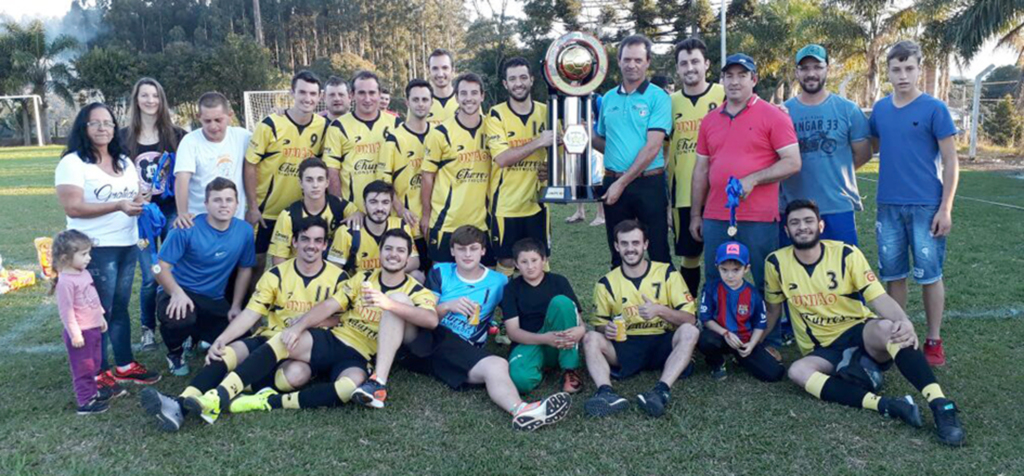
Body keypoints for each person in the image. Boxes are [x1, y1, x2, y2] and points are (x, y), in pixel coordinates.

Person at [765, 199, 965, 446]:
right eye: (794, 223)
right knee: (798, 371)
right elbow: (773, 310)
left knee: (889, 329)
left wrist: (903, 321)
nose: (802, 227)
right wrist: (755, 340)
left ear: (820, 225)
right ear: (786, 230)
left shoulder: (845, 254)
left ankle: (941, 405)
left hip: (859, 331)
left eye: (808, 221)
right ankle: (888, 405)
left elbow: (878, 297)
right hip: (823, 349)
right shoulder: (775, 263)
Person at [355, 226, 571, 431]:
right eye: (461, 249)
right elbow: (427, 315)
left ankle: (522, 411)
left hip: (458, 350)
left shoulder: (499, 282)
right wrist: (448, 306)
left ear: (483, 251)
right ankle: (378, 383)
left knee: (497, 365)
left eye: (473, 249)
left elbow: (519, 312)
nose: (467, 254)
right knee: (398, 300)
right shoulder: (440, 271)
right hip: (425, 337)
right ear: (452, 251)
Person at [139, 217, 346, 431]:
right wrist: (221, 339)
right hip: (270, 338)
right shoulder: (276, 274)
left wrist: (307, 322)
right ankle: (180, 403)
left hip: (304, 348)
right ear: (294, 242)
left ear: (324, 245)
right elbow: (250, 313)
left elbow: (343, 319)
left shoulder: (339, 278)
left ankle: (225, 391)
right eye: (305, 239)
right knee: (227, 352)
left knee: (297, 375)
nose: (311, 246)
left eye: (317, 240)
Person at [226, 230, 437, 415]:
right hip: (336, 338)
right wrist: (299, 326)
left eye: (400, 251)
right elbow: (330, 305)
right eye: (388, 248)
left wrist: (387, 303)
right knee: (285, 340)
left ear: (408, 257)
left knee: (348, 387)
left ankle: (271, 402)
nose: (393, 254)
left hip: (363, 353)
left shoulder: (418, 290)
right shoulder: (363, 279)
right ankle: (224, 392)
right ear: (380, 251)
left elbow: (431, 320)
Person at [691, 53, 800, 348]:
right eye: (729, 75)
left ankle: (769, 342)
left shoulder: (773, 115)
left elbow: (792, 162)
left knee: (765, 281)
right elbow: (701, 169)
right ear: (722, 80)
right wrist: (695, 215)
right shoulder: (710, 120)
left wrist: (753, 179)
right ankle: (717, 342)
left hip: (759, 217)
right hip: (716, 215)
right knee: (716, 276)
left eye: (742, 75)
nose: (735, 81)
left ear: (754, 79)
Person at [55, 102, 161, 387]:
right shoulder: (73, 163)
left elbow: (136, 194)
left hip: (126, 244)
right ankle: (98, 371)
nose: (103, 128)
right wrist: (118, 205)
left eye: (108, 123)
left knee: (119, 306)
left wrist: (143, 202)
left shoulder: (123, 161)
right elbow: (73, 207)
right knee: (97, 310)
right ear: (83, 127)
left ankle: (124, 364)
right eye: (96, 123)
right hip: (94, 249)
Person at [869, 40, 960, 367]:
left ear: (919, 69)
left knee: (929, 275)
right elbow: (873, 146)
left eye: (909, 68)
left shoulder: (934, 109)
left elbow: (951, 160)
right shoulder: (880, 109)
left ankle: (933, 340)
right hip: (888, 206)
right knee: (894, 275)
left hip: (925, 207)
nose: (903, 75)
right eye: (896, 69)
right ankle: (900, 335)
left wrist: (945, 207)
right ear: (888, 73)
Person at [582, 220, 699, 418]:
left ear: (645, 244)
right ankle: (606, 393)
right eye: (625, 244)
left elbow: (690, 318)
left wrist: (661, 311)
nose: (630, 249)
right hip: (627, 344)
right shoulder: (605, 283)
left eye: (635, 243)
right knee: (590, 338)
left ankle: (661, 391)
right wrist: (606, 329)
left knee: (691, 331)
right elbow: (599, 324)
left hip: (663, 340)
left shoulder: (667, 273)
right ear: (617, 246)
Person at [153, 178, 256, 376]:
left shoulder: (244, 231)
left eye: (229, 200)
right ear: (206, 204)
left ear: (237, 204)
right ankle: (175, 352)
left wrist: (235, 305)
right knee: (180, 317)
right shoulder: (187, 227)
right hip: (181, 291)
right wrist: (176, 292)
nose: (224, 205)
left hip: (213, 299)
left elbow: (245, 269)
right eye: (217, 200)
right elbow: (160, 267)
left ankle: (197, 335)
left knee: (244, 339)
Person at [592, 35, 673, 268]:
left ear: (647, 62)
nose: (632, 64)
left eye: (638, 60)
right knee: (619, 252)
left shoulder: (658, 97)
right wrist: (583, 137)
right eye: (627, 59)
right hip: (613, 181)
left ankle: (663, 304)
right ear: (618, 61)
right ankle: (621, 304)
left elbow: (653, 146)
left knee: (658, 252)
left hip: (648, 184)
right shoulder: (607, 99)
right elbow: (606, 143)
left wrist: (622, 183)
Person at [781, 45, 872, 247]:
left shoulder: (848, 110)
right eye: (804, 68)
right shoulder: (783, 112)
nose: (811, 73)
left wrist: (834, 171)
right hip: (794, 210)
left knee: (842, 269)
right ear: (796, 72)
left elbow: (863, 154)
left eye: (817, 67)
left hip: (837, 207)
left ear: (827, 69)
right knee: (794, 274)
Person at [121, 77, 187, 351]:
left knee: (174, 269)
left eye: (155, 96)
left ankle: (180, 325)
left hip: (171, 211)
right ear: (136, 100)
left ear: (162, 100)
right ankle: (148, 327)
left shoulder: (177, 135)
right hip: (141, 217)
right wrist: (134, 196)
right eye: (144, 95)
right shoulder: (122, 137)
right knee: (150, 274)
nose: (150, 100)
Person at [244, 70, 330, 275]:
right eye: (302, 92)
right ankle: (253, 304)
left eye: (312, 94)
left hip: (300, 210)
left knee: (294, 263)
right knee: (256, 261)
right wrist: (253, 206)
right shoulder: (271, 124)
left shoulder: (323, 126)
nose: (307, 98)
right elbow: (250, 164)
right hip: (267, 210)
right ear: (292, 93)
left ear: (320, 97)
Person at [667, 38, 725, 295]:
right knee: (690, 257)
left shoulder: (723, 94)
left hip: (721, 192)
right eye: (684, 63)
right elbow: (663, 149)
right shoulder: (669, 102)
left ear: (707, 64)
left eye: (695, 62)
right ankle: (689, 314)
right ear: (677, 69)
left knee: (725, 255)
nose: (690, 68)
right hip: (684, 194)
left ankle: (722, 312)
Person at [486, 57, 552, 277]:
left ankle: (540, 305)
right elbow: (503, 158)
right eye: (512, 79)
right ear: (505, 84)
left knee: (539, 258)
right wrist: (538, 142)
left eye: (523, 77)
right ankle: (506, 306)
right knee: (506, 259)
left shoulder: (547, 112)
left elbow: (562, 149)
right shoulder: (496, 114)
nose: (518, 83)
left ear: (532, 80)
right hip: (506, 204)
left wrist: (553, 169)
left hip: (537, 203)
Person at [421, 73, 494, 265]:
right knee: (442, 278)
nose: (468, 98)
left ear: (482, 96)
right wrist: (426, 215)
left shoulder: (493, 127)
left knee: (484, 278)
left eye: (474, 93)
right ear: (456, 97)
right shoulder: (440, 133)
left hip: (482, 222)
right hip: (446, 222)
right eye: (463, 93)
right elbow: (427, 177)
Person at [502, 238, 585, 394]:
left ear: (544, 260)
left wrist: (581, 330)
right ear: (516, 264)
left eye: (534, 260)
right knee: (520, 381)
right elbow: (513, 332)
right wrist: (545, 338)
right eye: (524, 262)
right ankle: (537, 366)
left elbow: (577, 319)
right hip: (529, 342)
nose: (530, 266)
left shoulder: (559, 282)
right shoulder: (511, 289)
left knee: (561, 302)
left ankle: (569, 369)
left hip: (560, 341)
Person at [696, 241, 785, 382]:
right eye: (724, 270)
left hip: (743, 341)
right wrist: (725, 333)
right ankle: (717, 362)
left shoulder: (753, 294)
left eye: (736, 270)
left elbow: (759, 324)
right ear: (717, 267)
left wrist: (752, 344)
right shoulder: (711, 288)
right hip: (721, 337)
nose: (730, 275)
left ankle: (739, 357)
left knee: (775, 374)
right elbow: (706, 318)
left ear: (746, 268)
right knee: (705, 339)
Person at [51, 230, 115, 415]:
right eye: (83, 254)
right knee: (83, 368)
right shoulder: (65, 282)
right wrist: (75, 333)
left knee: (94, 364)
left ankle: (93, 392)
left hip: (93, 328)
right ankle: (85, 402)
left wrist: (101, 316)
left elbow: (92, 297)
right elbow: (66, 310)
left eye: (89, 253)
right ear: (65, 257)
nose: (88, 258)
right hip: (81, 332)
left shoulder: (83, 273)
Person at [324, 70, 400, 211]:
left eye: (372, 93)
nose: (367, 98)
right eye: (361, 93)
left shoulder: (396, 123)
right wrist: (343, 210)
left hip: (390, 212)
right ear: (352, 95)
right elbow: (332, 172)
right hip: (355, 213)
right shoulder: (338, 127)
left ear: (379, 94)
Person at [173, 92, 251, 228]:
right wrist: (182, 213)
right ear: (199, 118)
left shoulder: (243, 137)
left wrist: (280, 114)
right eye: (207, 121)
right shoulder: (190, 142)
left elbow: (269, 140)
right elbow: (182, 179)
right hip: (199, 221)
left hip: (233, 221)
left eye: (218, 120)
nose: (213, 126)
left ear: (229, 117)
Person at [381, 79, 433, 272]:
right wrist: (401, 210)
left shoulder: (437, 135)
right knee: (411, 276)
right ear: (407, 102)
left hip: (435, 222)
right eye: (416, 99)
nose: (420, 104)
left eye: (425, 99)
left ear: (431, 103)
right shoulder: (394, 137)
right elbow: (384, 182)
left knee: (435, 278)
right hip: (406, 224)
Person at [268, 157, 357, 265]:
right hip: (299, 271)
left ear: (327, 182)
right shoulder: (289, 215)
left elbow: (363, 219)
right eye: (309, 180)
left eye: (320, 179)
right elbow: (279, 259)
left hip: (331, 271)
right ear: (301, 183)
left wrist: (359, 214)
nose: (315, 185)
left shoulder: (342, 207)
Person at [327, 180, 421, 281]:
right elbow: (333, 272)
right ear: (364, 204)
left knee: (417, 275)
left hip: (390, 281)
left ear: (391, 205)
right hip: (360, 286)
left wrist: (382, 275)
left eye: (385, 202)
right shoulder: (347, 232)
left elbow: (415, 261)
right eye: (373, 202)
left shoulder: (401, 225)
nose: (379, 208)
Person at [427, 49, 459, 126]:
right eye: (435, 68)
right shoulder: (418, 103)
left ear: (453, 70)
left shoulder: (468, 100)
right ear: (429, 71)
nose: (440, 74)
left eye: (445, 68)